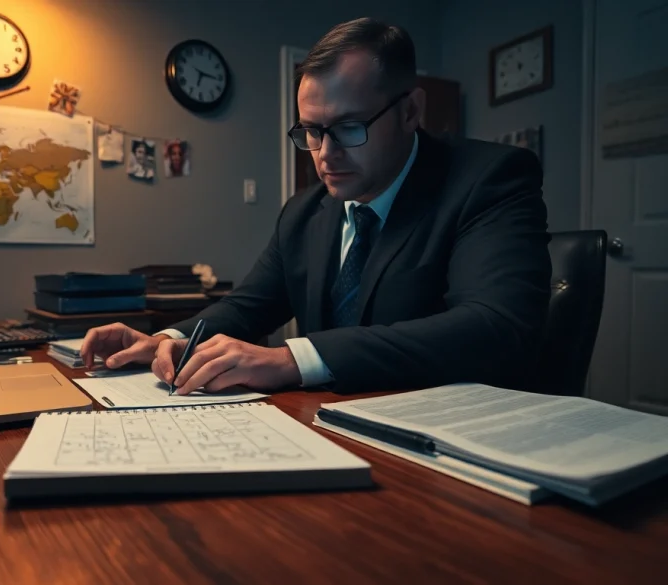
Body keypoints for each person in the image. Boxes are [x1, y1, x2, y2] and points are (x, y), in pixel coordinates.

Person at [81, 17, 552, 396]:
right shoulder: (304, 212)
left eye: (349, 128)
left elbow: (496, 326)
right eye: (311, 131)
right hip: (331, 433)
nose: (325, 155)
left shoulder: (490, 178)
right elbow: (247, 309)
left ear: (411, 111)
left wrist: (292, 359)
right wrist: (168, 339)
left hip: (448, 447)